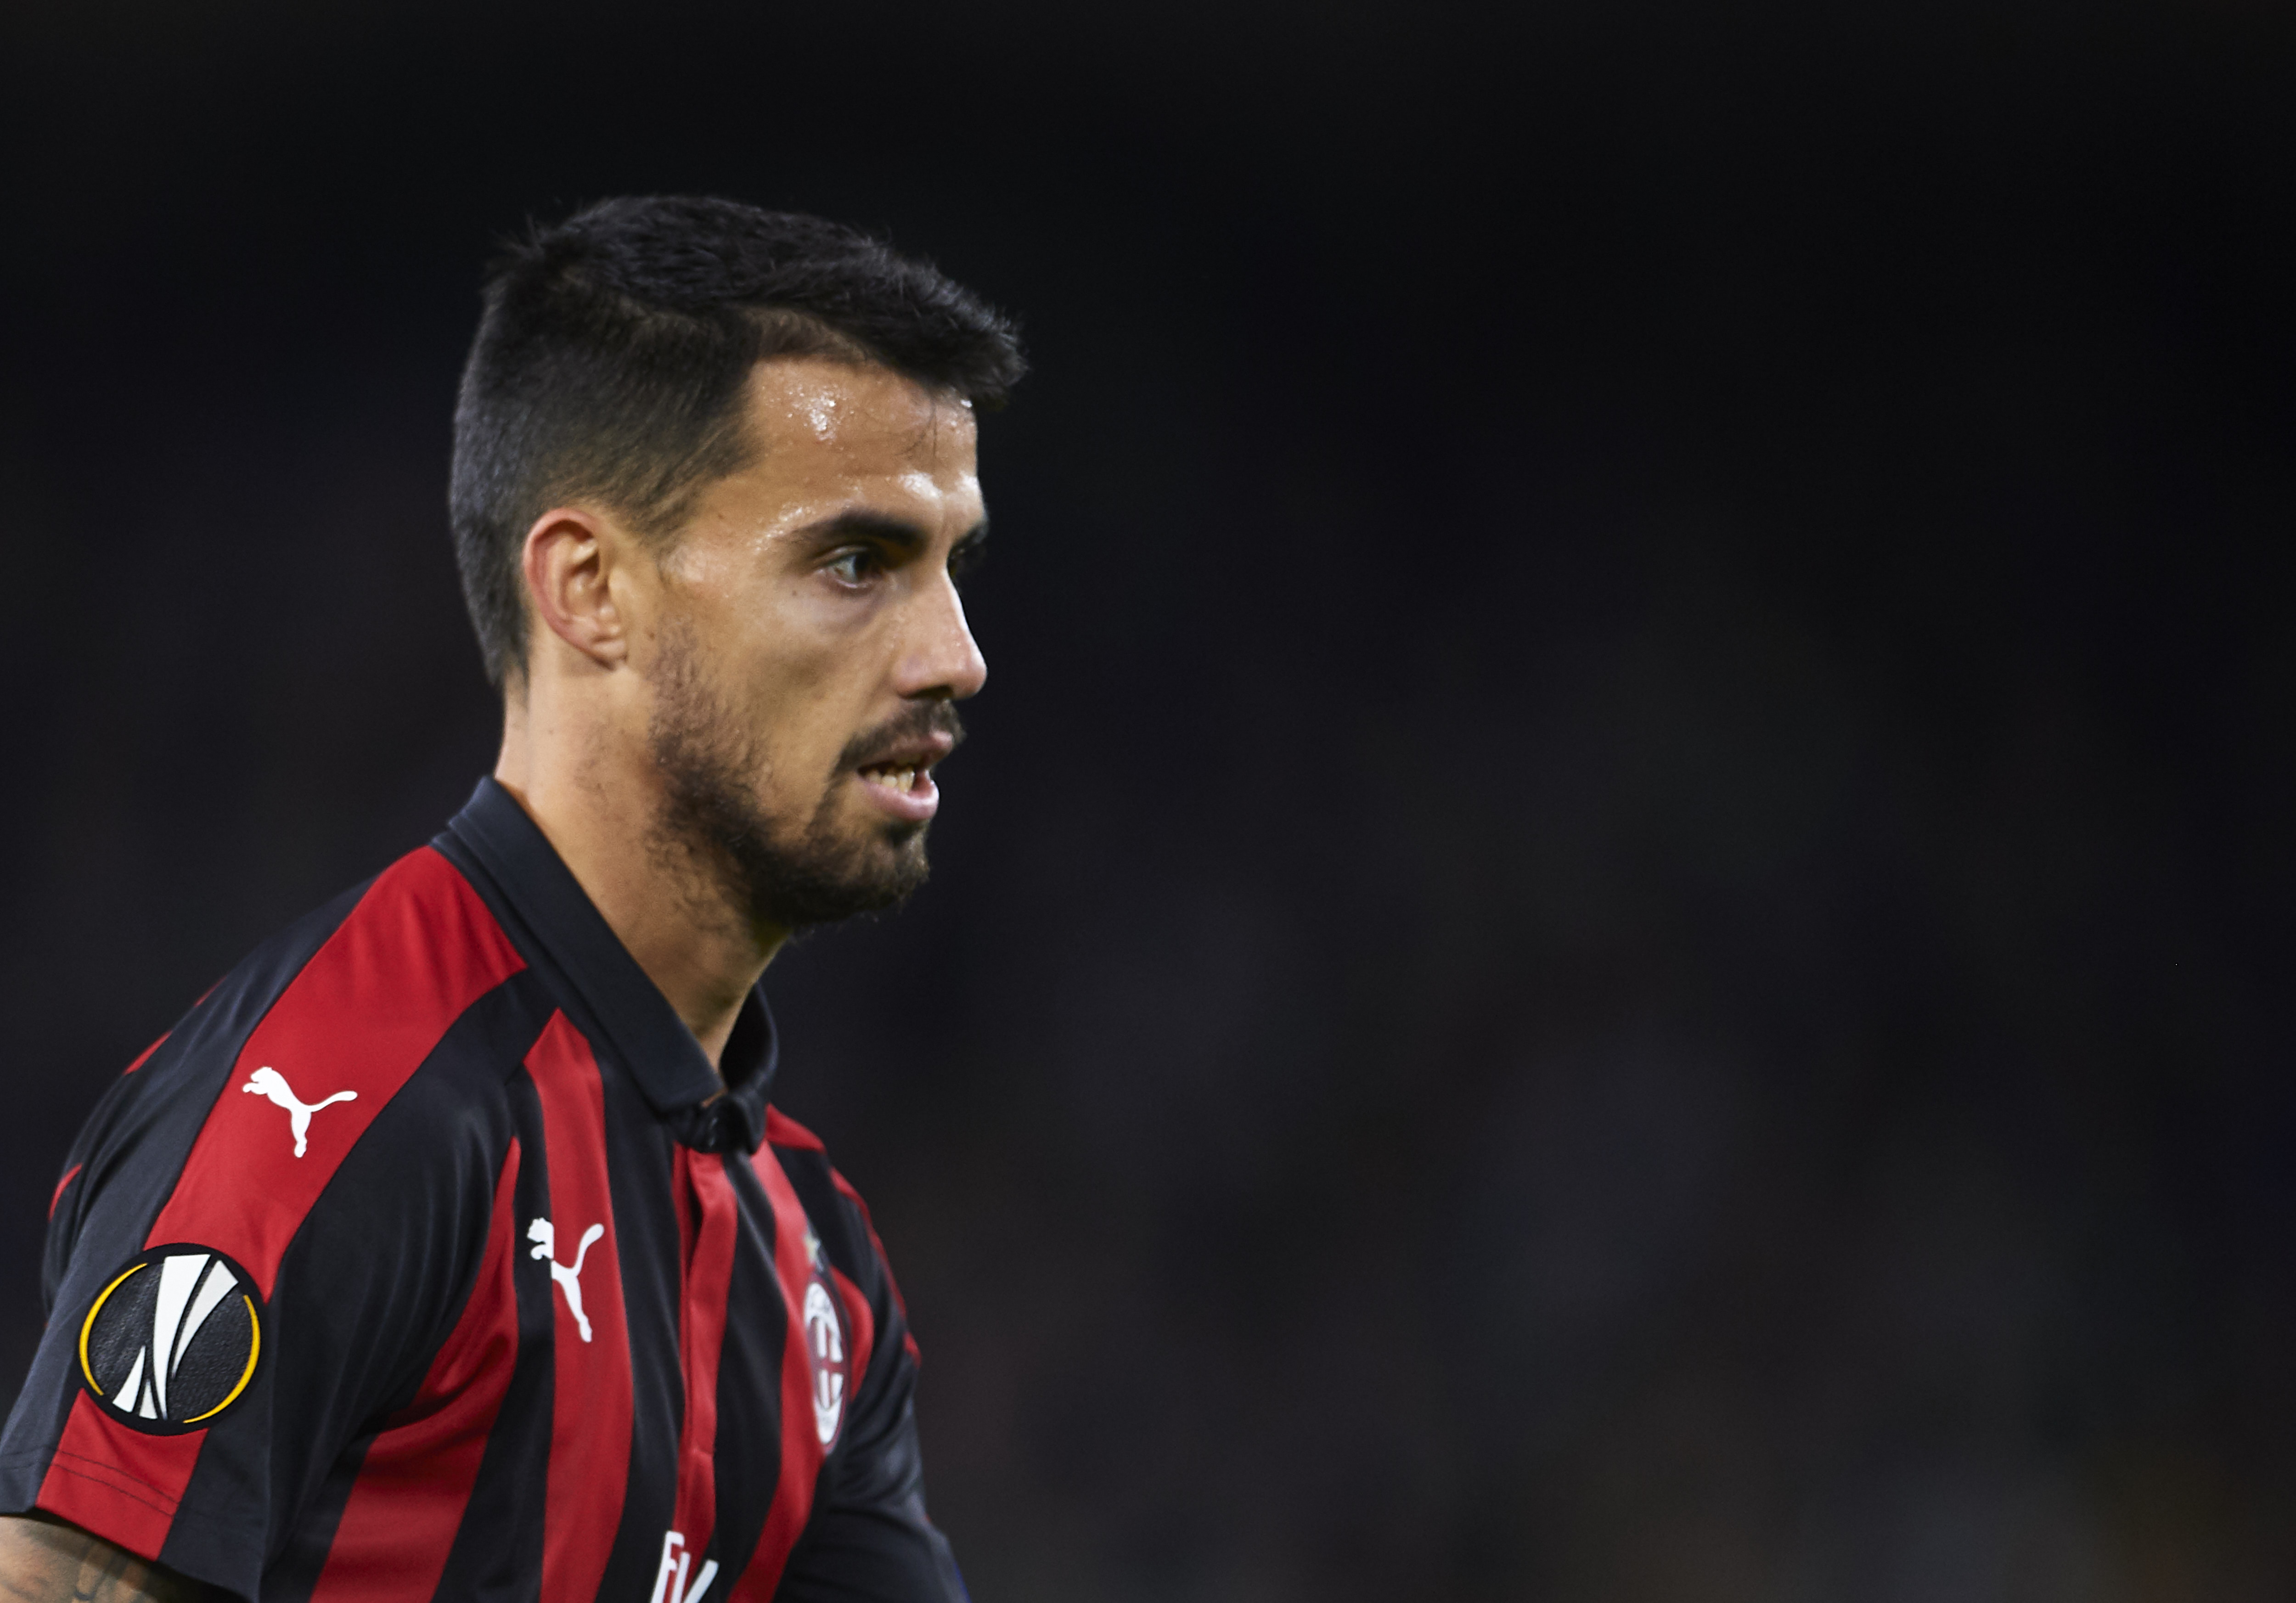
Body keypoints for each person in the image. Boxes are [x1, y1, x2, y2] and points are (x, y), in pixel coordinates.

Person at [0, 196, 1022, 1603]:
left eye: (952, 567)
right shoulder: (348, 1108)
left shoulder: (814, 1269)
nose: (957, 656)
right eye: (857, 562)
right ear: (589, 589)